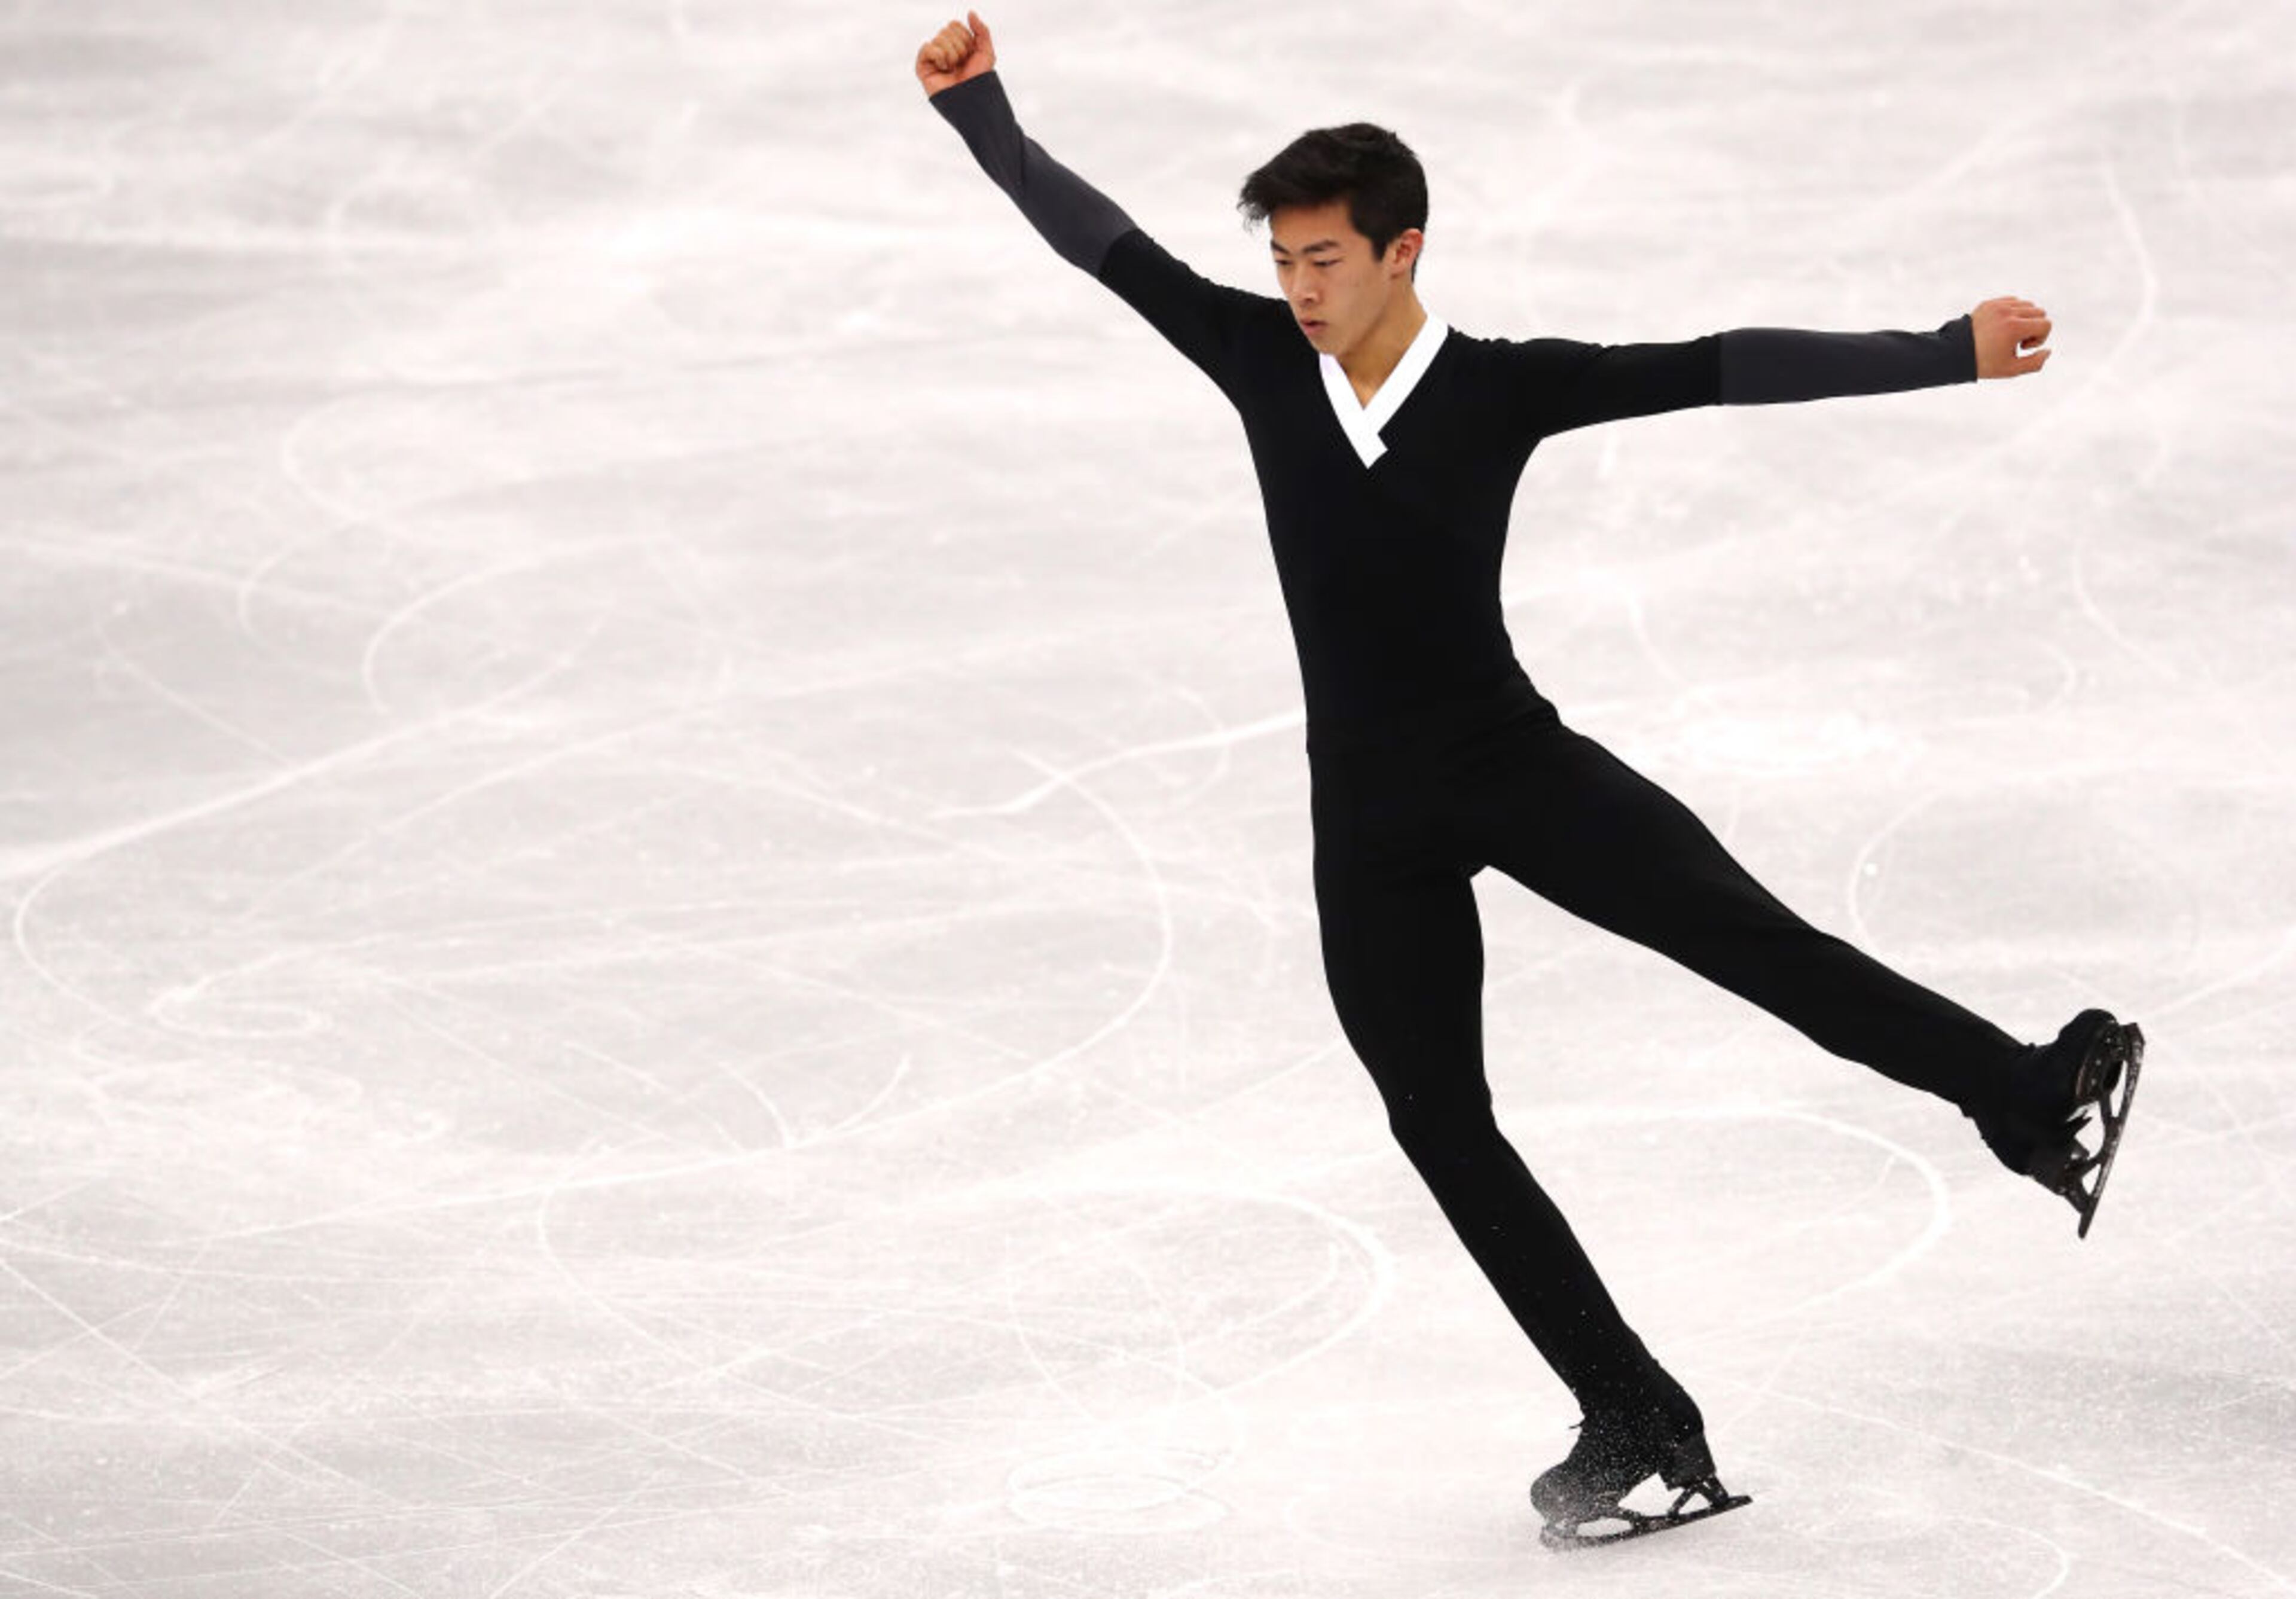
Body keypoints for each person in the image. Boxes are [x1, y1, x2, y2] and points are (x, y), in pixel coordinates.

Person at [913, 11, 2144, 1548]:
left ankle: (2029, 1091)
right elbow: (1100, 241)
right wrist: (987, 118)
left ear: (1403, 251)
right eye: (1284, 260)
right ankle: (1634, 1410)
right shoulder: (1252, 357)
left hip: (1511, 761)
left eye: (1326, 260)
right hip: (1366, 816)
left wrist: (1942, 353)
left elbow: (1710, 368)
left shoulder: (1497, 389)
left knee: (1754, 941)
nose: (1296, 289)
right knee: (1436, 1116)